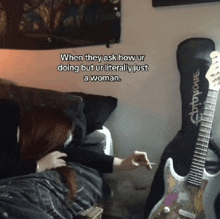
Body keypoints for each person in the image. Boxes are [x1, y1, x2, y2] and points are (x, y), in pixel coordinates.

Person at [0, 99, 152, 183]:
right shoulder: (8, 113)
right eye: (59, 141)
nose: (58, 148)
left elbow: (74, 154)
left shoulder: (34, 145)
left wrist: (122, 163)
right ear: (48, 132)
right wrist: (37, 166)